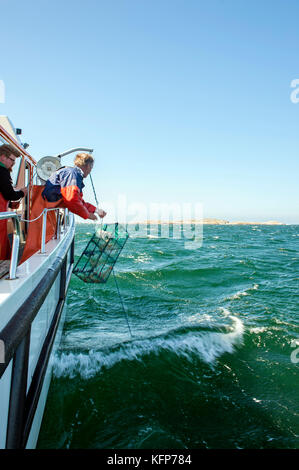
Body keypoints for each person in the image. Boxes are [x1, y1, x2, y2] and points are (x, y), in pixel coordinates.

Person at [42, 152, 106, 220]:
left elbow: (79, 201)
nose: (90, 171)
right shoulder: (72, 174)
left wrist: (96, 211)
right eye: (91, 167)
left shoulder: (72, 174)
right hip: (42, 212)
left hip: (47, 212)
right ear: (88, 166)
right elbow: (71, 199)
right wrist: (87, 215)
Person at [0, 144, 28, 259]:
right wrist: (22, 192)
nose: (13, 163)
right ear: (2, 157)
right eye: (12, 160)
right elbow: (9, 193)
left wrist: (10, 204)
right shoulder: (2, 171)